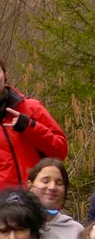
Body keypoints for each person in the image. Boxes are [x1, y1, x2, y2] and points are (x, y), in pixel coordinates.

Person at [0, 56, 67, 189]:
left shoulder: (31, 107)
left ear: (5, 75)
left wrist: (30, 127)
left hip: (37, 196)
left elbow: (60, 152)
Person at [27, 158, 83, 239]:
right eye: (45, 181)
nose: (52, 187)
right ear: (30, 185)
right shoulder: (15, 225)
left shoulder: (76, 230)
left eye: (59, 183)